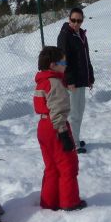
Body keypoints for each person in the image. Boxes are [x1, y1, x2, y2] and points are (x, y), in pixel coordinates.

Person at [34, 46, 87, 211]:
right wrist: (63, 134)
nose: (65, 65)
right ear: (53, 65)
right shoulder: (55, 83)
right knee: (67, 165)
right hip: (56, 127)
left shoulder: (41, 82)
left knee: (51, 167)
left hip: (43, 127)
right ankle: (70, 202)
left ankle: (49, 201)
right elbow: (57, 111)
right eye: (63, 62)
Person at [57, 7, 94, 154]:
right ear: (69, 19)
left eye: (79, 21)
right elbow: (63, 60)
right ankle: (73, 143)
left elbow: (86, 58)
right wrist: (69, 80)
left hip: (81, 80)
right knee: (74, 113)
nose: (76, 23)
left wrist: (90, 76)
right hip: (72, 82)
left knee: (79, 111)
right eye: (73, 20)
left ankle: (75, 138)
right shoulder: (65, 35)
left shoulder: (81, 34)